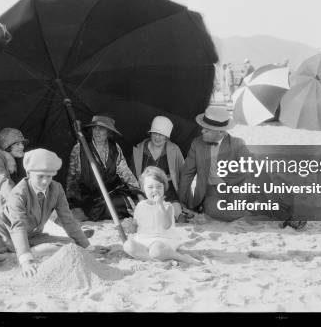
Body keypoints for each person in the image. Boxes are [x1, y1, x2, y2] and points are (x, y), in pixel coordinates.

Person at [0, 149, 104, 277]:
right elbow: (17, 226)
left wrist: (88, 247)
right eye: (40, 176)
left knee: (72, 245)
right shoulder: (19, 192)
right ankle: (16, 253)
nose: (45, 181)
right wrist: (26, 261)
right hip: (2, 232)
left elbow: (68, 220)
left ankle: (9, 256)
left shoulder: (56, 189)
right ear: (29, 173)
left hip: (32, 235)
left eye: (49, 176)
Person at [178, 105, 306, 230]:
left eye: (207, 129)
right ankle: (258, 214)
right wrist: (182, 202)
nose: (202, 131)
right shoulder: (197, 144)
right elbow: (186, 174)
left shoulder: (237, 144)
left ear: (220, 132)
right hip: (212, 195)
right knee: (210, 208)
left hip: (236, 191)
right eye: (203, 127)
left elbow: (255, 168)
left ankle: (285, 215)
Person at [66, 114, 143, 222]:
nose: (97, 132)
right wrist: (73, 203)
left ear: (108, 132)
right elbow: (72, 179)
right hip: (88, 196)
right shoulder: (79, 148)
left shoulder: (115, 148)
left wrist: (138, 193)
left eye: (101, 129)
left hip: (110, 193)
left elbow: (125, 172)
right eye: (94, 128)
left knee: (130, 202)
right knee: (91, 209)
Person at [123, 167, 201, 265]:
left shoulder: (167, 206)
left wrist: (160, 205)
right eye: (150, 187)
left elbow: (166, 225)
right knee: (128, 245)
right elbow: (135, 227)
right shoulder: (140, 206)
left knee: (156, 251)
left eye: (159, 187)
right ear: (143, 188)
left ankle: (181, 257)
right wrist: (130, 226)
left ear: (164, 188)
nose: (155, 190)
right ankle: (156, 260)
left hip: (163, 240)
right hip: (144, 239)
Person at [131, 116, 186, 219]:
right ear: (150, 134)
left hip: (167, 191)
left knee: (176, 213)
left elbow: (184, 173)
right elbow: (132, 178)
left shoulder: (174, 149)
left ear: (166, 137)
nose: (157, 137)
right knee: (148, 213)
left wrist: (184, 197)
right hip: (145, 191)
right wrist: (140, 197)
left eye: (161, 135)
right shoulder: (138, 150)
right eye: (155, 133)